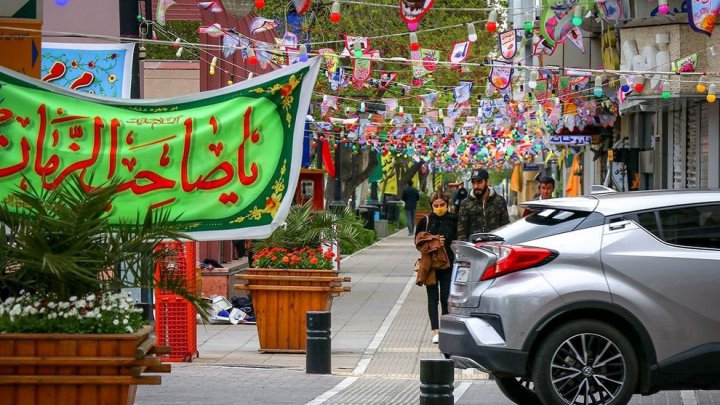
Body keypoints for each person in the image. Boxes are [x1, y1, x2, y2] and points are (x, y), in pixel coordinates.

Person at [415, 190, 457, 344]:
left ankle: (445, 327)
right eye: (436, 205)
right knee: (432, 298)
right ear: (431, 206)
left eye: (442, 205)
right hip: (430, 265)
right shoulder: (426, 220)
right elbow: (417, 241)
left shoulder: (453, 219)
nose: (439, 207)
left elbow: (459, 239)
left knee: (446, 297)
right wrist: (433, 240)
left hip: (448, 264)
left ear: (447, 204)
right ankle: (436, 331)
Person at [457, 168, 510, 241]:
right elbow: (461, 232)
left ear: (487, 182)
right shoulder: (465, 204)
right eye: (473, 182)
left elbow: (506, 227)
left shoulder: (499, 201)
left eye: (479, 182)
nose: (476, 186)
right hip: (474, 249)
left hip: (495, 247)